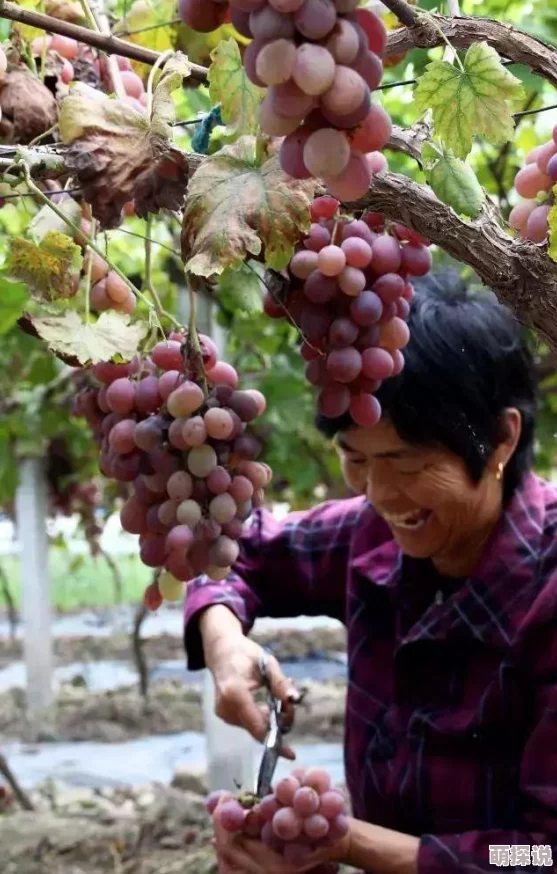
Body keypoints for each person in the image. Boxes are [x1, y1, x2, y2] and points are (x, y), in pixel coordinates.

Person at [183, 272, 557, 874]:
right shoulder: (369, 534)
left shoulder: (548, 595)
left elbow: (542, 855)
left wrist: (352, 844)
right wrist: (224, 638)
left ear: (501, 440)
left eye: (407, 463)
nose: (380, 493)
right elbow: (232, 547)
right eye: (355, 459)